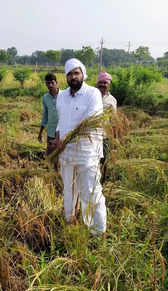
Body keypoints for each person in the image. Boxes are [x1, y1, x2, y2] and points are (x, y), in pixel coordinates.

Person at [55, 58, 106, 234]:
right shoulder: (61, 96)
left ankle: (97, 231)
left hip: (87, 153)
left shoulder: (93, 94)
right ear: (66, 77)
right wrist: (57, 141)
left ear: (83, 74)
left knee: (90, 191)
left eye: (76, 73)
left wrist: (65, 139)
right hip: (66, 153)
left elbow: (89, 122)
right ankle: (70, 220)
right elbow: (60, 122)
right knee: (68, 190)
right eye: (69, 74)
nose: (73, 77)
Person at [97, 71, 117, 184]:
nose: (103, 85)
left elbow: (114, 121)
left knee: (104, 160)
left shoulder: (112, 100)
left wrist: (114, 138)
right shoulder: (91, 96)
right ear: (97, 83)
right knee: (92, 160)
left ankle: (103, 181)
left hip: (105, 135)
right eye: (100, 82)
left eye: (105, 83)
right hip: (91, 135)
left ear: (108, 84)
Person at [38, 73, 59, 156]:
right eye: (48, 83)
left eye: (52, 83)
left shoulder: (64, 95)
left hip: (63, 132)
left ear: (56, 83)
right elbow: (45, 116)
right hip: (51, 132)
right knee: (50, 154)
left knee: (62, 155)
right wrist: (40, 132)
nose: (50, 85)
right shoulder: (45, 98)